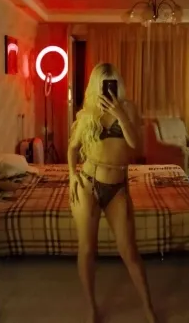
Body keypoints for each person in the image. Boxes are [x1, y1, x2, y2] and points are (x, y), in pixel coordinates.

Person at [68, 63, 158, 323]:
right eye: (103, 84)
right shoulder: (87, 114)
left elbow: (136, 146)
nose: (108, 89)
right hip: (88, 183)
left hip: (117, 187)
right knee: (87, 249)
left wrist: (120, 114)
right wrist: (72, 174)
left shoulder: (128, 108)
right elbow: (73, 148)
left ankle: (148, 308)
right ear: (95, 86)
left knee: (129, 250)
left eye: (112, 84)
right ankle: (92, 307)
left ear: (119, 84)